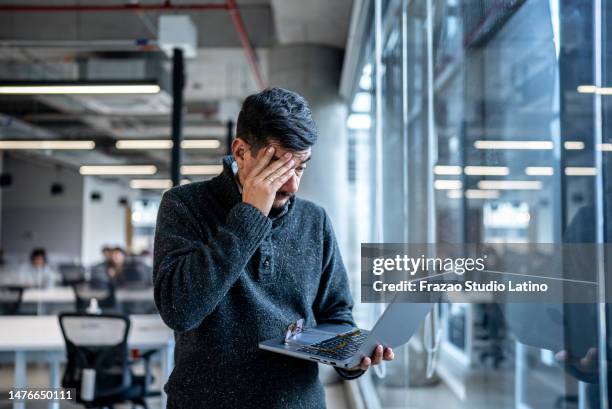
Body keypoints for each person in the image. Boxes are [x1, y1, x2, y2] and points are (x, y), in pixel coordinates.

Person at [153, 88, 393, 409]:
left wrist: (350, 356)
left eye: (301, 167)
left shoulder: (314, 220)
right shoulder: (184, 206)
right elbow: (180, 310)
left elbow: (336, 314)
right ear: (241, 152)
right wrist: (250, 216)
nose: (292, 184)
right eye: (279, 167)